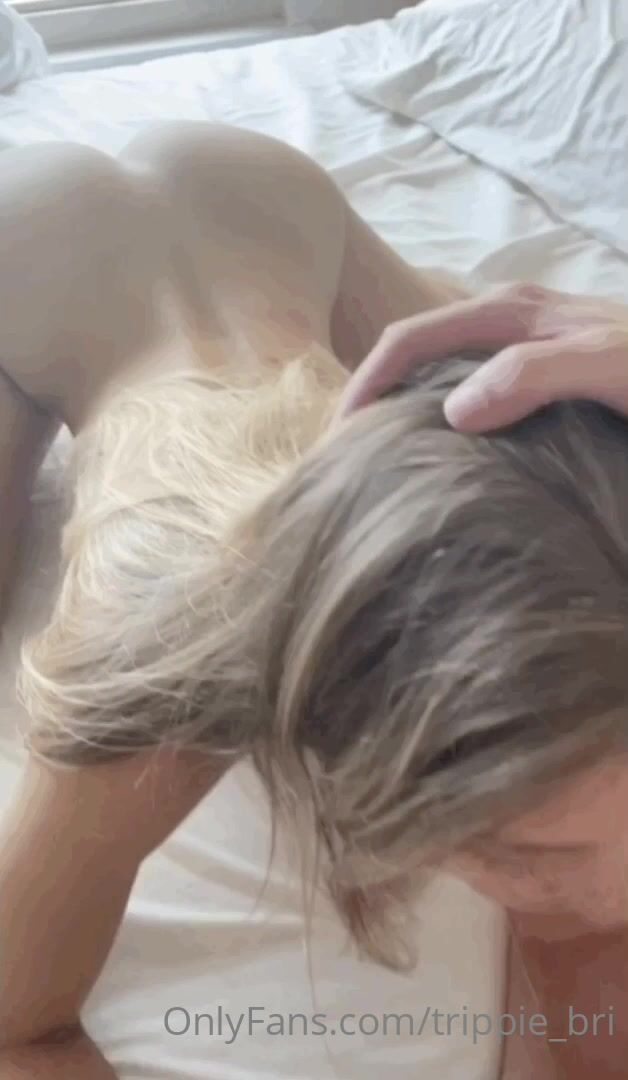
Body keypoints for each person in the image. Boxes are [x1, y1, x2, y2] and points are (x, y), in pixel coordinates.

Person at [0, 117, 626, 1080]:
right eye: (538, 851)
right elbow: (17, 1022)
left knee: (505, 338)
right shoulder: (174, 637)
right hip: (25, 251)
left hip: (267, 193)